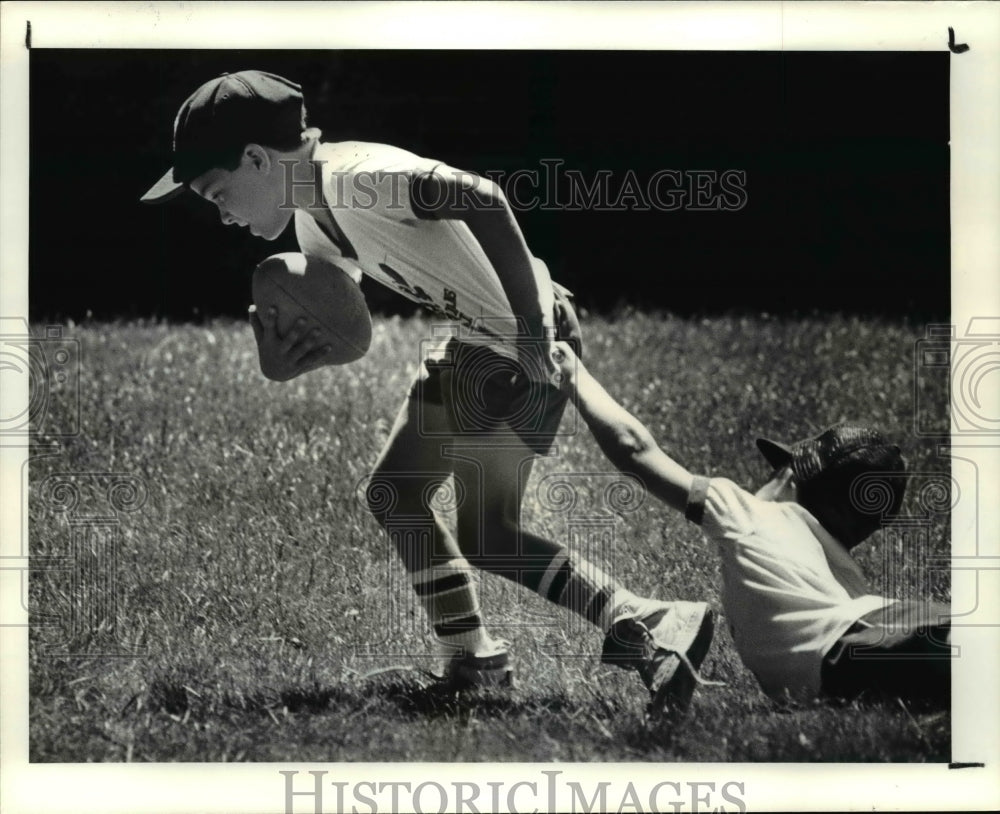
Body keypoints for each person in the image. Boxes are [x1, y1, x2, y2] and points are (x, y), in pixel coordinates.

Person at [141, 69, 715, 717]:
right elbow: (346, 332)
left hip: (520, 344)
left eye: (219, 194)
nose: (222, 215)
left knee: (490, 534)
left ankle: (648, 621)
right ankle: (476, 660)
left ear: (255, 159)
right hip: (478, 343)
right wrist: (283, 361)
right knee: (398, 495)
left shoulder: (357, 178)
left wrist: (531, 331)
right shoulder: (313, 215)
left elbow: (484, 198)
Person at [547, 340, 951, 708]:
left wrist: (572, 372)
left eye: (778, 472)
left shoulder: (751, 513)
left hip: (867, 642)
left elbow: (635, 451)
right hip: (869, 649)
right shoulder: (839, 575)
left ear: (791, 480)